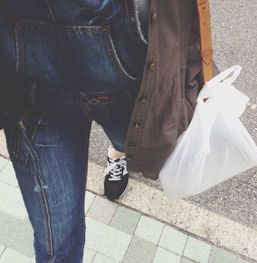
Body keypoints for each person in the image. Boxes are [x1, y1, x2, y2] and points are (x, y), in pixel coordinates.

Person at [0, 0, 206, 262]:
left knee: (167, 158)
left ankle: (119, 151)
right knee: (58, 246)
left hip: (124, 82)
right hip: (37, 97)